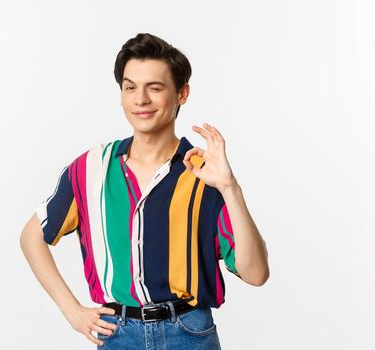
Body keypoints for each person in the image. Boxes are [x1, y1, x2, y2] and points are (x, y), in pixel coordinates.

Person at [19, 32, 270, 349]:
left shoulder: (205, 172)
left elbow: (256, 273)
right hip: (117, 334)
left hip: (190, 333)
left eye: (155, 87)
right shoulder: (91, 168)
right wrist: (71, 310)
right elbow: (32, 236)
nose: (140, 100)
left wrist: (230, 187)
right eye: (130, 87)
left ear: (181, 93)